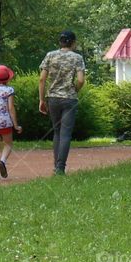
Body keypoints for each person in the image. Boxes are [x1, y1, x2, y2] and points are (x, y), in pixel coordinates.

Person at [38, 30, 85, 175]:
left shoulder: (50, 55)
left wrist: (41, 99)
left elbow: (42, 79)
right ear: (73, 42)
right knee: (66, 134)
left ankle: (56, 165)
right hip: (69, 98)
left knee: (57, 132)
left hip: (53, 98)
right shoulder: (77, 58)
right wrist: (74, 90)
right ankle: (60, 168)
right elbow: (81, 80)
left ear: (61, 41)